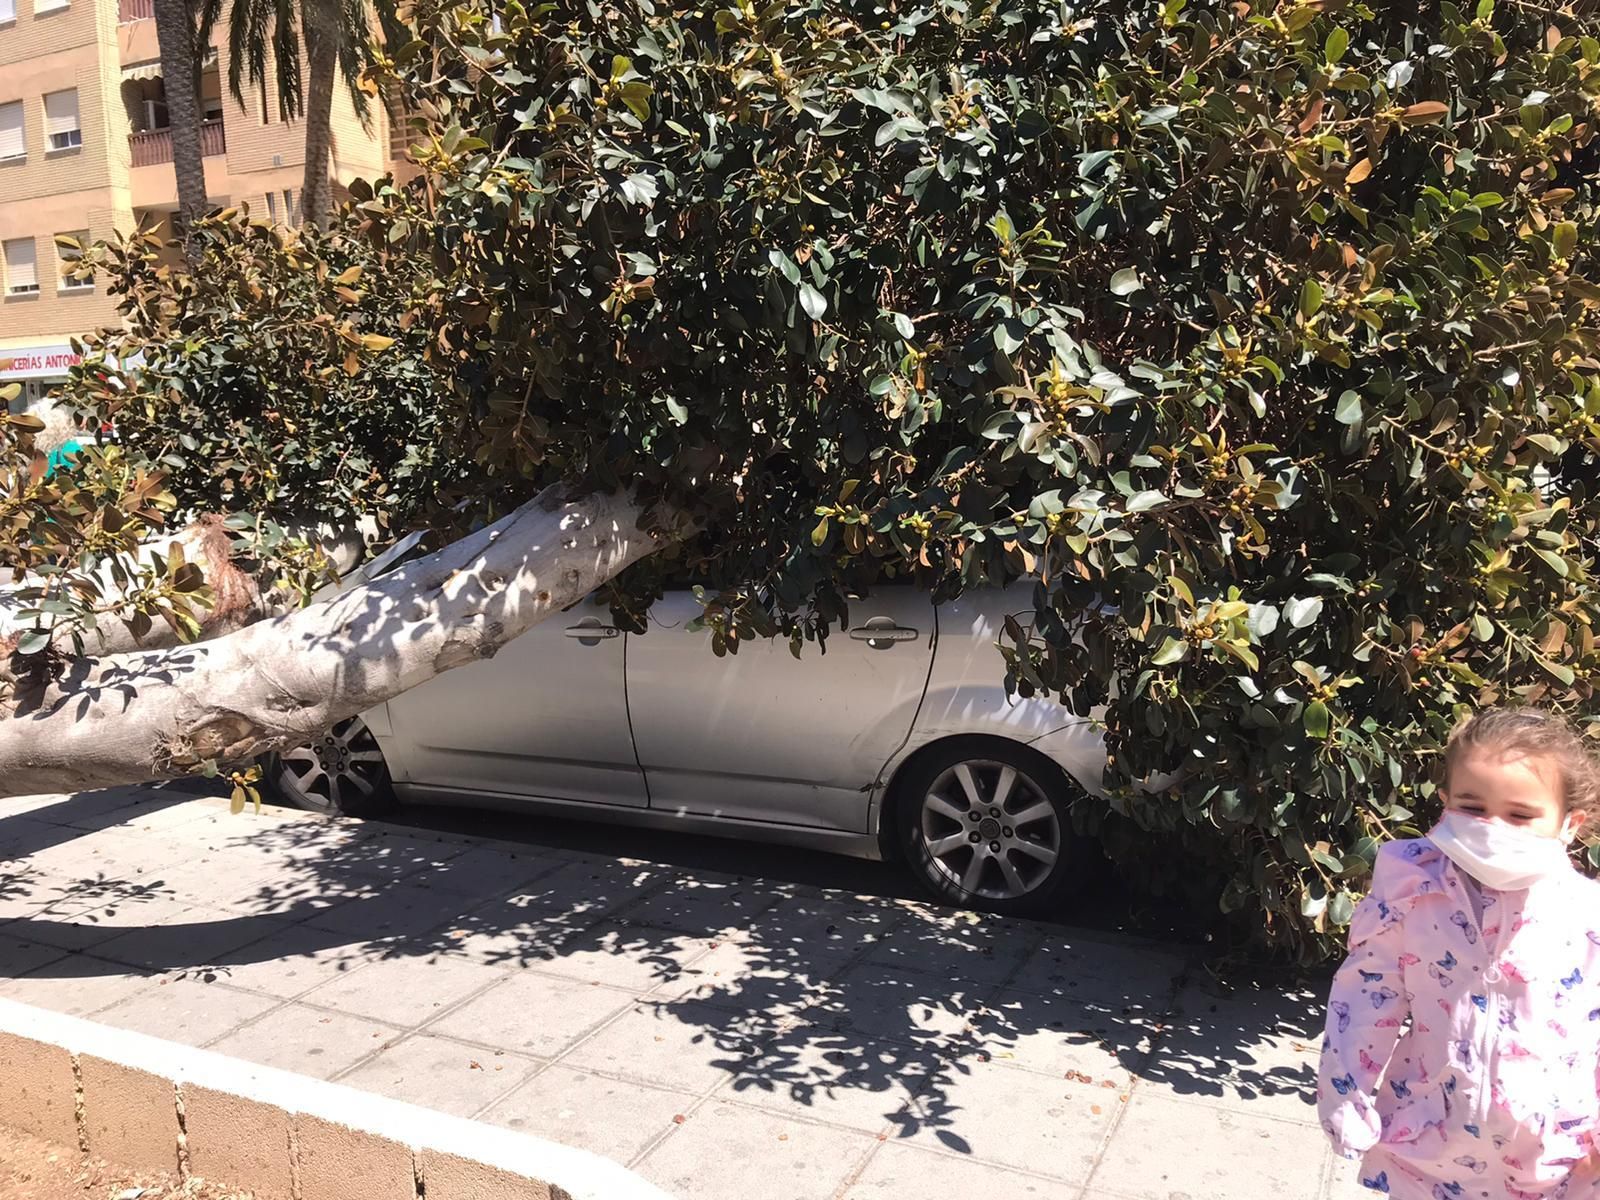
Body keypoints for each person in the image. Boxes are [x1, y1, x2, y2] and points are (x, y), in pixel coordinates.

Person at [1318, 707, 1600, 1198]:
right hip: (1433, 1139)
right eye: (1473, 807)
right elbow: (1367, 994)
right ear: (1445, 802)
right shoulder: (1411, 890)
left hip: (1552, 1154)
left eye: (1520, 815)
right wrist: (1346, 1095)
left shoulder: (1586, 914)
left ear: (1568, 822)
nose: (1493, 826)